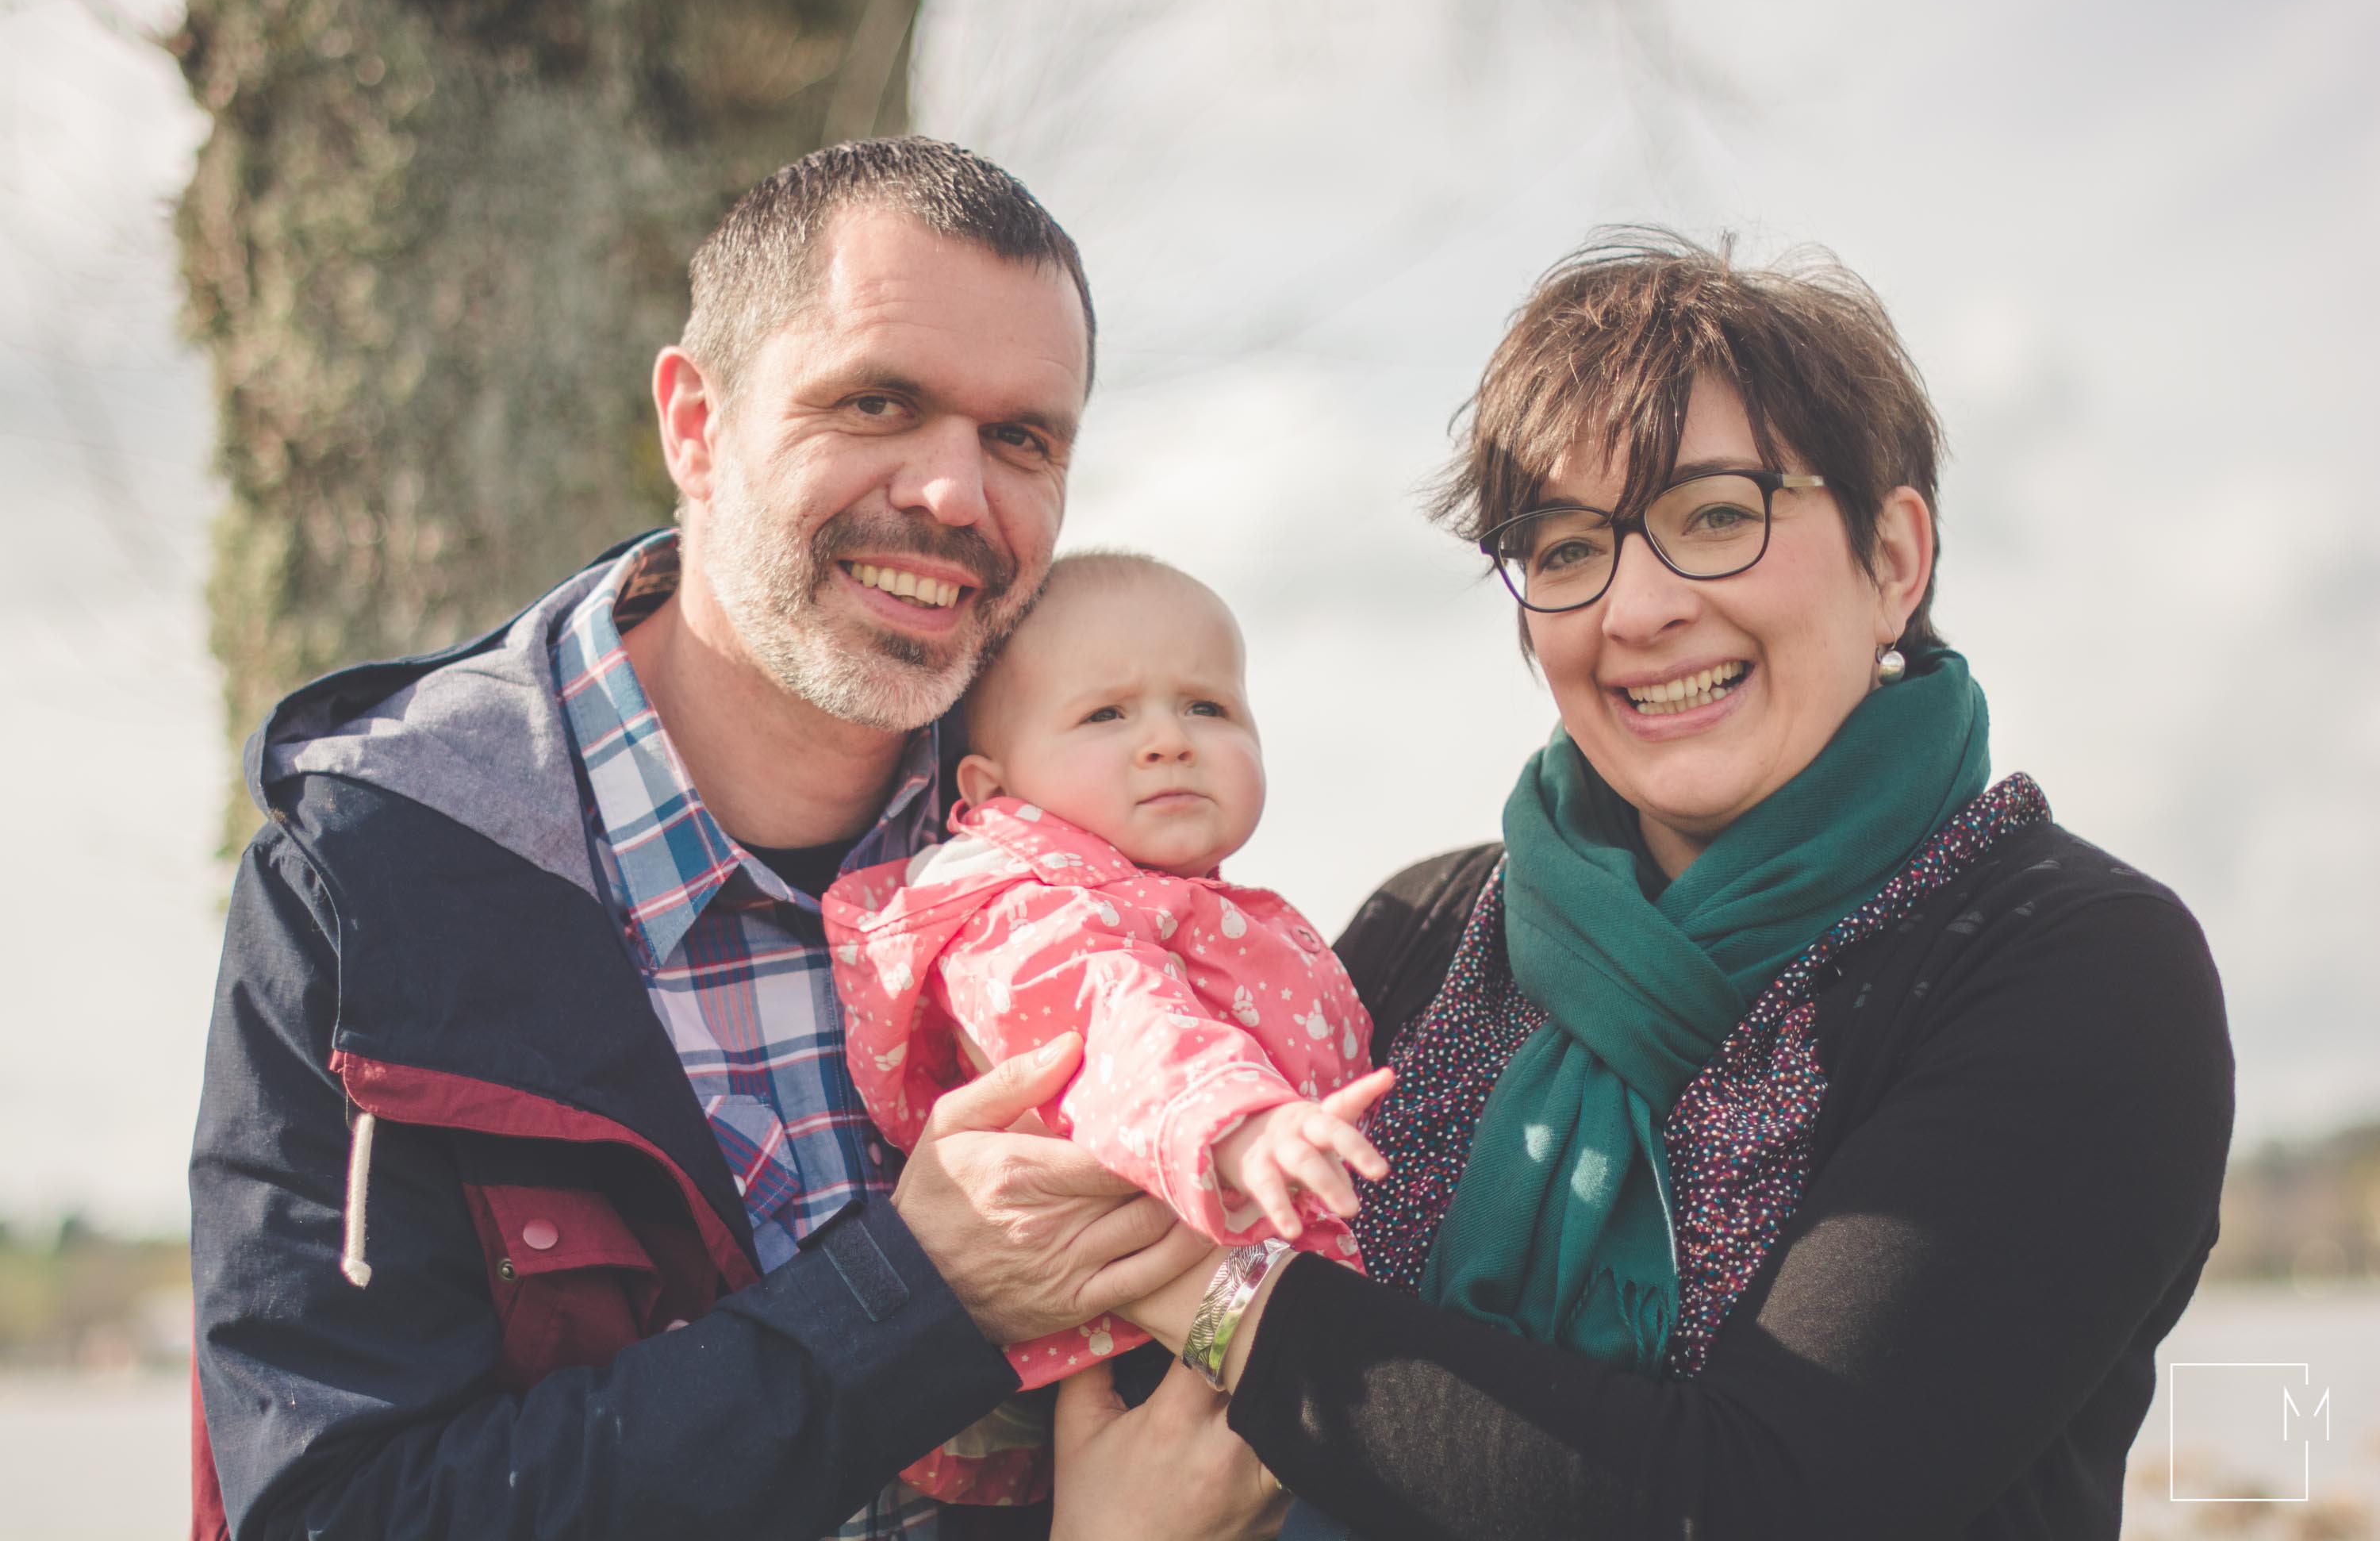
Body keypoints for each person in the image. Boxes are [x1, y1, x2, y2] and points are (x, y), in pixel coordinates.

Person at [187, 137, 1277, 1541]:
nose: (955, 495)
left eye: (1023, 439)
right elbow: (339, 1513)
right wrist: (908, 1295)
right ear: (695, 424)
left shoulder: (1090, 804)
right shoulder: (374, 880)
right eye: (878, 402)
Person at [1069, 231, 2235, 1539]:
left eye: (1718, 517)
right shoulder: (1422, 933)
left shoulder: (2070, 965)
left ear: (1895, 559)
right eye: (1565, 549)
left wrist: (1213, 1292)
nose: (1636, 609)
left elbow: (1774, 1500)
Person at [824, 551, 1393, 1505]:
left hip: (1260, 1310)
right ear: (990, 782)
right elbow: (1112, 1021)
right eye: (1106, 713)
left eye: (1208, 707)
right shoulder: (1019, 908)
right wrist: (1242, 1120)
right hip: (1150, 1356)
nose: (1168, 739)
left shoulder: (1194, 905)